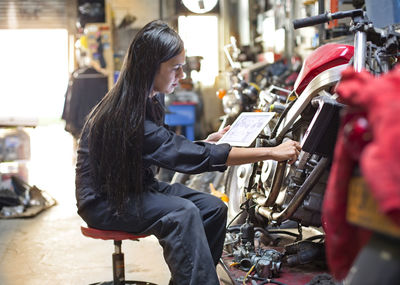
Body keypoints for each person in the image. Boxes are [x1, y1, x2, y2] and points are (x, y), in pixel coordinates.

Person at [75, 20, 301, 285]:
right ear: (150, 68)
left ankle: (192, 280)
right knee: (182, 213)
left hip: (136, 187)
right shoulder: (127, 116)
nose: (182, 75)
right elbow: (188, 155)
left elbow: (168, 147)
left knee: (212, 208)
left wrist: (207, 141)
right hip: (105, 201)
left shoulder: (149, 97)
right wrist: (271, 152)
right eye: (176, 68)